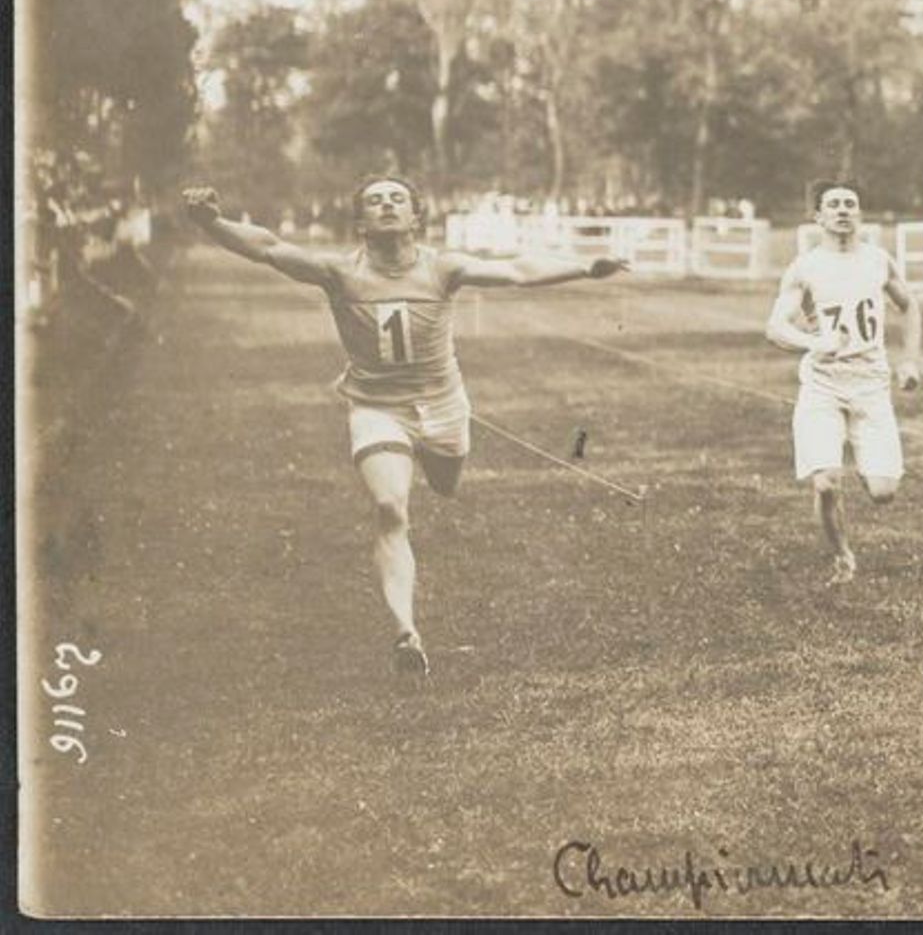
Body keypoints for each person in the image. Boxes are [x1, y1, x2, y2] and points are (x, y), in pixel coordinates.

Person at [181, 177, 628, 678]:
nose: (387, 204)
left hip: (443, 407)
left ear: (416, 216)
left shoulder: (443, 268)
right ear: (360, 223)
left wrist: (586, 266)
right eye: (375, 200)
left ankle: (436, 471)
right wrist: (212, 222)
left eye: (397, 198)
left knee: (445, 483)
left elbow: (519, 271)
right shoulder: (339, 272)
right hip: (376, 408)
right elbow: (268, 247)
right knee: (390, 508)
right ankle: (406, 634)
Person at [764, 180, 921, 584]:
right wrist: (815, 342)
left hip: (871, 385)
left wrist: (909, 361)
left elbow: (910, 305)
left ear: (860, 213)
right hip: (823, 386)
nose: (843, 210)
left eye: (850, 203)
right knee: (826, 483)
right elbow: (776, 327)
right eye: (833, 204)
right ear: (818, 216)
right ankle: (842, 555)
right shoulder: (805, 267)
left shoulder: (878, 260)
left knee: (884, 492)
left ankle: (865, 474)